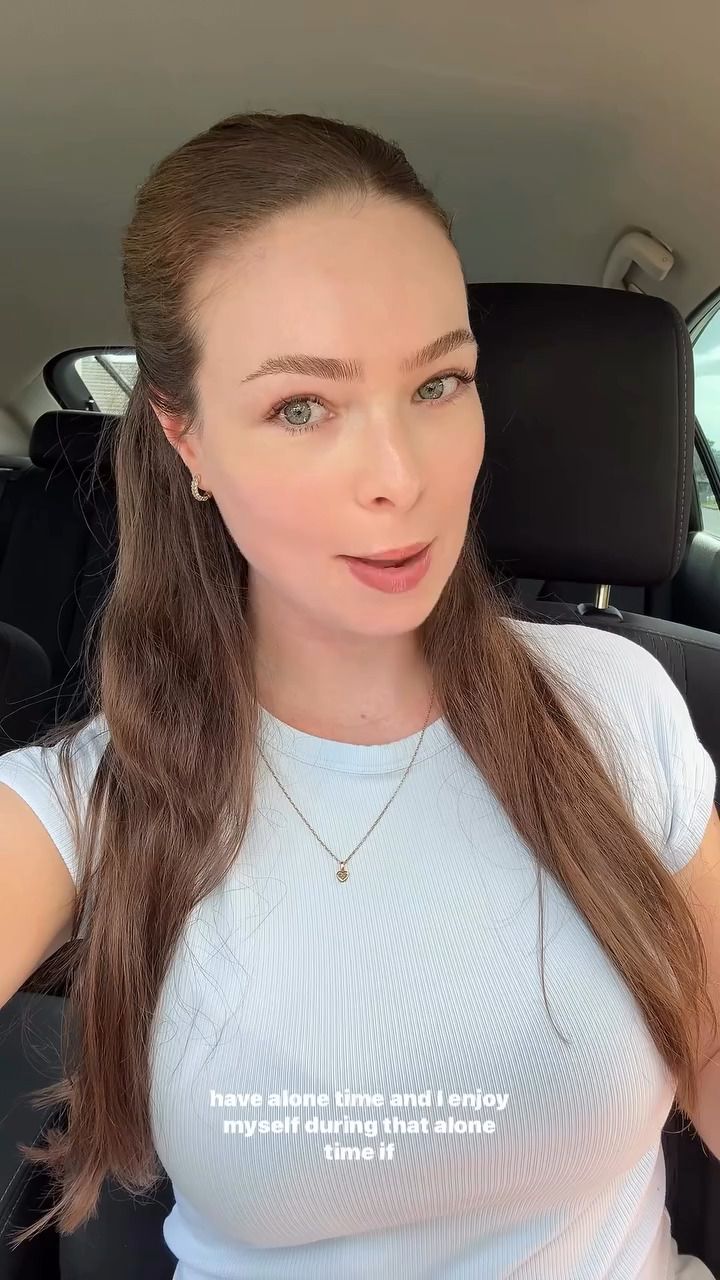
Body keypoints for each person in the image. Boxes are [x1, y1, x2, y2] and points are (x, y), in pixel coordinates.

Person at [0, 110, 718, 1280]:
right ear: (187, 438)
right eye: (302, 405)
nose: (401, 476)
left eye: (439, 382)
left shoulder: (615, 707)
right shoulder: (93, 798)